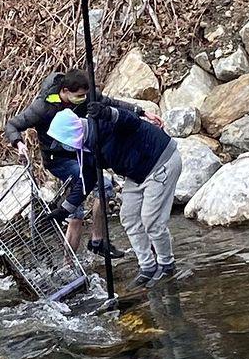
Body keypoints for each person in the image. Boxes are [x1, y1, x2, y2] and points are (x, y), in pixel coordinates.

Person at [4, 69, 163, 257]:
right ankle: (69, 264)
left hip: (81, 153)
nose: (84, 98)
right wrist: (19, 143)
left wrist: (143, 112)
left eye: (85, 95)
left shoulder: (84, 97)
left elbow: (111, 103)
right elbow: (12, 125)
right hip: (59, 160)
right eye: (79, 96)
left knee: (101, 191)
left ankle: (97, 241)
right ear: (64, 91)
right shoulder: (43, 106)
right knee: (84, 203)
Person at [46, 102, 182, 286]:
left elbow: (131, 121)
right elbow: (87, 179)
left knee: (151, 220)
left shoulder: (103, 123)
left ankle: (167, 265)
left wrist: (109, 112)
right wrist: (64, 210)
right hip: (137, 172)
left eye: (63, 142)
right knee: (129, 217)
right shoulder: (85, 148)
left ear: (71, 134)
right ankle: (148, 266)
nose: (63, 147)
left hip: (160, 162)